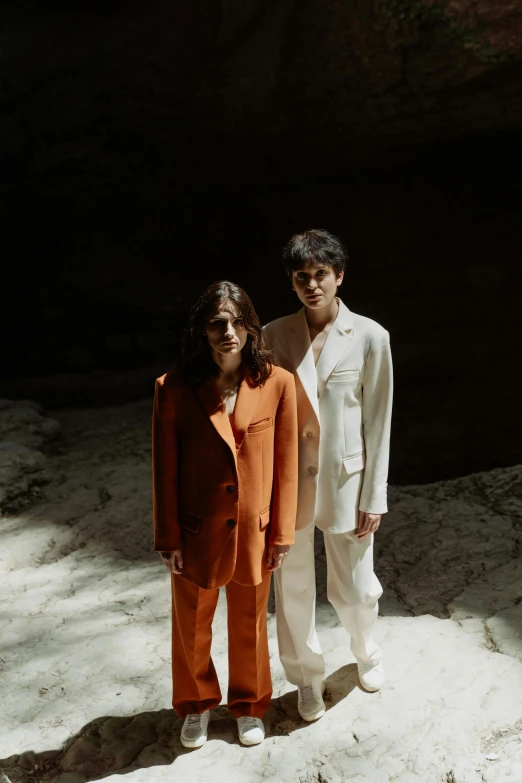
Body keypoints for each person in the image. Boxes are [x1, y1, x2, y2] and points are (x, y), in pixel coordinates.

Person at [152, 281, 298, 748]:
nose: (228, 332)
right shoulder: (173, 388)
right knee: (192, 625)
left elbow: (286, 464)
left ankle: (249, 705)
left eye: (237, 322)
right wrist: (167, 538)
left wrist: (282, 533)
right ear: (202, 331)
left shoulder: (278, 383)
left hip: (254, 530)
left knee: (250, 624)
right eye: (217, 323)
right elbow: (164, 470)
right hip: (195, 532)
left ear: (252, 327)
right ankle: (196, 706)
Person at [263, 229, 393, 721]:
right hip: (290, 482)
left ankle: (367, 650)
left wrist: (374, 494)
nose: (312, 284)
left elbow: (378, 419)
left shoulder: (370, 336)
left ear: (339, 276)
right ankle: (307, 680)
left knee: (356, 587)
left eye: (321, 274)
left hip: (346, 480)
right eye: (302, 277)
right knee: (292, 587)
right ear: (292, 282)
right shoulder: (275, 336)